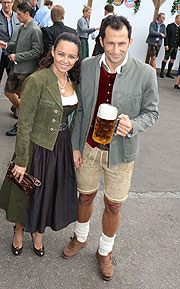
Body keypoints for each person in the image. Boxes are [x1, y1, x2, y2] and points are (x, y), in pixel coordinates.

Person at [62, 15, 159, 281]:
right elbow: (81, 109)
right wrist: (75, 146)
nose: (116, 50)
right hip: (89, 147)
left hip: (121, 153)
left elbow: (152, 113)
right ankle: (80, 237)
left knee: (113, 206)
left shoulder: (146, 73)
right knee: (85, 197)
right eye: (110, 43)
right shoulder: (89, 65)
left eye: (122, 43)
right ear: (101, 41)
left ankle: (105, 251)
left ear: (129, 42)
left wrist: (134, 125)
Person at [0, 32, 81, 257]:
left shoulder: (74, 83)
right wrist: (22, 160)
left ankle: (38, 232)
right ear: (53, 51)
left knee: (48, 192)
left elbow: (75, 119)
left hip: (61, 147)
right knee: (26, 191)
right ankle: (18, 230)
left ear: (76, 59)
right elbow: (24, 124)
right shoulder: (37, 80)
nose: (65, 60)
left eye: (71, 56)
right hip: (37, 146)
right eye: (61, 54)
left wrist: (74, 148)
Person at [0, 2, 43, 137]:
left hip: (26, 70)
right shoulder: (22, 27)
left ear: (27, 14)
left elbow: (36, 52)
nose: (16, 17)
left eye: (19, 14)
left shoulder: (35, 30)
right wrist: (6, 45)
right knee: (8, 92)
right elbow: (16, 44)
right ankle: (26, 115)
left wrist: (17, 56)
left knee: (23, 98)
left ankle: (22, 122)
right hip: (16, 67)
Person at [0, 0, 20, 84]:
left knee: (13, 83)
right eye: (4, 2)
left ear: (13, 3)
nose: (6, 5)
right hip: (1, 54)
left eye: (8, 2)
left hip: (13, 54)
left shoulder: (17, 16)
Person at [160, 14, 180, 79]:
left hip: (176, 46)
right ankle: (162, 72)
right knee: (166, 58)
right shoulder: (170, 26)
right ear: (176, 19)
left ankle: (168, 73)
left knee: (172, 59)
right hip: (169, 45)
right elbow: (166, 36)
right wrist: (166, 44)